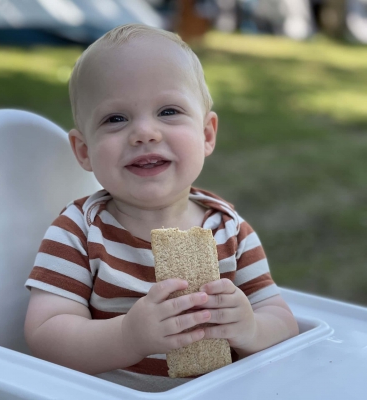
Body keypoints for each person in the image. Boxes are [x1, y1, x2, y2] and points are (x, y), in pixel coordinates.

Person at [24, 23, 299, 392]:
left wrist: (250, 328)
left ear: (206, 135)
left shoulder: (230, 229)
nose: (145, 133)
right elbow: (44, 335)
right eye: (115, 118)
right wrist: (127, 336)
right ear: (84, 151)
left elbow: (282, 319)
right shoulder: (78, 230)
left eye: (168, 111)